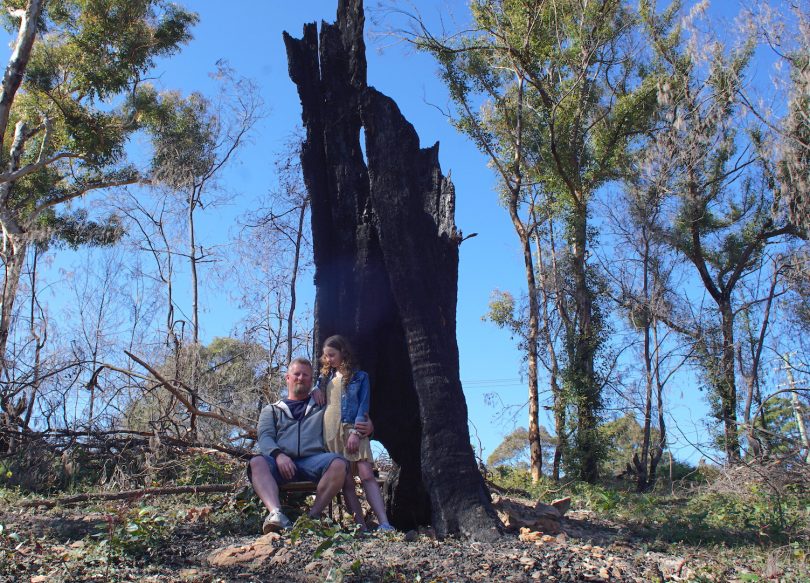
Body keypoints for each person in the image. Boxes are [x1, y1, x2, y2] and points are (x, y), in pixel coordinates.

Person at [250, 356, 369, 533]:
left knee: (338, 463)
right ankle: (276, 514)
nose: (301, 378)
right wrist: (279, 456)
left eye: (305, 375)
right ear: (287, 378)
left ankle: (311, 518)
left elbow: (346, 415)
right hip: (280, 463)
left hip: (313, 462)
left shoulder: (322, 407)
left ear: (311, 380)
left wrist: (367, 425)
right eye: (296, 374)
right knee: (256, 462)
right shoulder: (272, 410)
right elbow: (265, 437)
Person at [312, 335, 394, 532]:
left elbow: (363, 407)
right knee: (346, 480)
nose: (328, 359)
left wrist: (357, 433)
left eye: (332, 355)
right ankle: (361, 528)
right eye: (325, 356)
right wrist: (316, 388)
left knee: (366, 474)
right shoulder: (324, 379)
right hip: (330, 432)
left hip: (352, 429)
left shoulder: (360, 377)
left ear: (343, 353)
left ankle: (384, 523)